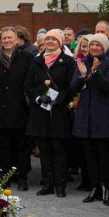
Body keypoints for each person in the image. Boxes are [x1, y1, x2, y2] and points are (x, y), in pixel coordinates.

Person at [25, 30, 77, 197]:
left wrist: (58, 99)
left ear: (60, 42)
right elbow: (28, 85)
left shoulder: (68, 61)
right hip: (40, 111)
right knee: (44, 151)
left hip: (59, 112)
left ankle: (60, 186)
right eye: (47, 39)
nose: (50, 42)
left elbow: (72, 86)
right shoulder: (37, 61)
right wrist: (38, 98)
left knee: (59, 151)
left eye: (54, 39)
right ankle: (47, 184)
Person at [71, 33, 109, 203]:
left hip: (103, 118)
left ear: (104, 47)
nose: (94, 48)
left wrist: (95, 72)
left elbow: (108, 86)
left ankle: (107, 189)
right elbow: (73, 87)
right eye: (92, 45)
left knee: (105, 157)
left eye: (98, 45)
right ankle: (95, 188)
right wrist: (84, 75)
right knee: (89, 157)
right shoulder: (83, 63)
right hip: (85, 117)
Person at [0, 27, 33, 191]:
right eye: (4, 38)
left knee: (22, 146)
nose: (7, 40)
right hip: (0, 109)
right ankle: (4, 177)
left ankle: (22, 178)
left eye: (10, 38)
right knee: (2, 147)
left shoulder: (27, 58)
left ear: (17, 40)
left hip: (20, 108)